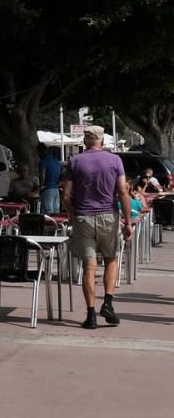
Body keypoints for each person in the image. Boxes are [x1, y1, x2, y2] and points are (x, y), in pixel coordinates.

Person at [61, 125, 133, 329]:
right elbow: (122, 192)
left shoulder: (74, 162)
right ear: (102, 141)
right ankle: (108, 303)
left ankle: (90, 315)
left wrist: (71, 212)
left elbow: (66, 195)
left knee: (89, 266)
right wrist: (128, 221)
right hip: (108, 217)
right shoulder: (114, 160)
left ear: (85, 141)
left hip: (83, 217)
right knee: (111, 258)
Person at [37, 143, 63, 213]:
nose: (38, 155)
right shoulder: (57, 161)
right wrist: (58, 183)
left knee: (48, 212)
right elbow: (63, 174)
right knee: (56, 212)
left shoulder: (43, 161)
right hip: (56, 190)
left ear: (41, 152)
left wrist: (41, 186)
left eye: (38, 153)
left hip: (47, 189)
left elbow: (42, 175)